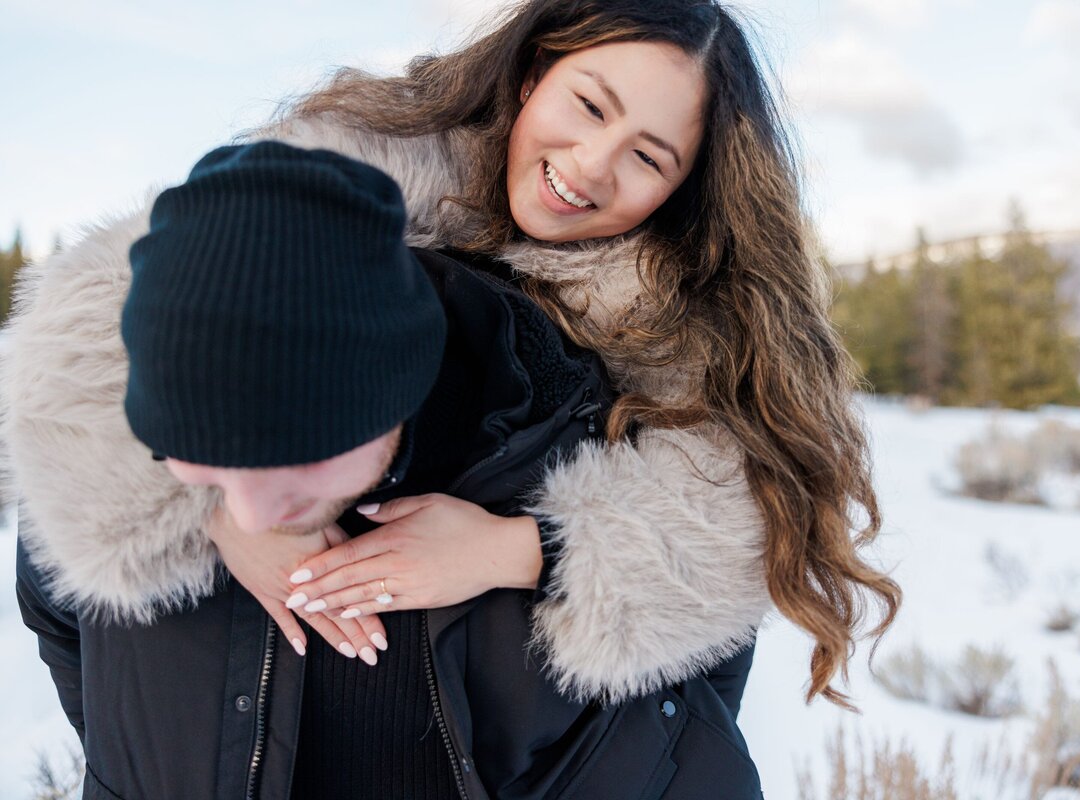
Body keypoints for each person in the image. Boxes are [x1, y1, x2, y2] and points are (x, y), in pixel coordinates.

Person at [7, 0, 899, 788]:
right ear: (536, 67)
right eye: (589, 105)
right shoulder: (326, 177)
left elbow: (733, 534)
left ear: (684, 190)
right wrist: (223, 502)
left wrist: (524, 550)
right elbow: (84, 354)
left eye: (648, 157)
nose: (590, 165)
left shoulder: (683, 344)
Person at [12, 141, 762, 799]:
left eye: (289, 457)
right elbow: (61, 622)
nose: (246, 515)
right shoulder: (105, 490)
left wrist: (527, 555)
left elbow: (698, 691)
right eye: (198, 460)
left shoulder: (583, 454)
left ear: (392, 393)